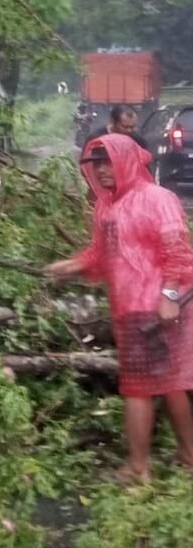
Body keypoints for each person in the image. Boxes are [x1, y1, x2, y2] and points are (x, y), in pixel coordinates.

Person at [46, 135, 193, 482]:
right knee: (170, 384)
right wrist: (70, 266)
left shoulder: (157, 198)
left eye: (108, 162)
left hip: (157, 307)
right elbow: (101, 255)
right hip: (129, 308)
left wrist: (168, 296)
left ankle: (139, 468)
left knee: (137, 388)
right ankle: (189, 455)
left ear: (127, 161)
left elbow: (177, 251)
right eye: (96, 164)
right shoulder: (107, 207)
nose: (101, 170)